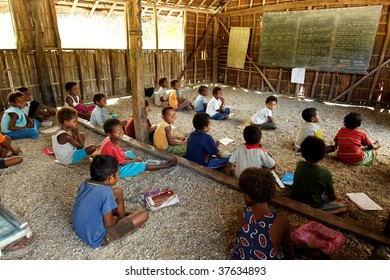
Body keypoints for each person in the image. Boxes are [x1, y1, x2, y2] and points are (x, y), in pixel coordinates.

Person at [72, 155, 149, 249]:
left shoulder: (86, 182)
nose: (119, 176)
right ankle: (122, 219)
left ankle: (123, 217)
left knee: (118, 191)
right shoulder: (106, 192)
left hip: (81, 229)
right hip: (96, 238)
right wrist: (116, 218)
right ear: (110, 178)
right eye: (117, 173)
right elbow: (108, 224)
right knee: (143, 215)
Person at [229, 168, 294, 260]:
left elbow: (239, 234)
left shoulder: (241, 212)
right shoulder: (281, 220)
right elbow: (288, 251)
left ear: (247, 196)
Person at [289, 136, 351, 213]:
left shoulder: (300, 165)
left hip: (295, 198)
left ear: (302, 153)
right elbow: (332, 197)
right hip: (314, 206)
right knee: (347, 204)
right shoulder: (325, 173)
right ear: (322, 155)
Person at [101, 118, 177, 179]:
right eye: (117, 131)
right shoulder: (114, 146)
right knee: (140, 165)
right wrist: (135, 160)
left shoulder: (110, 140)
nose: (121, 132)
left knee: (129, 153)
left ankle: (137, 166)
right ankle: (167, 165)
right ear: (109, 134)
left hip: (111, 162)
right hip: (113, 171)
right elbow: (122, 163)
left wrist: (133, 160)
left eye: (121, 129)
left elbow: (120, 156)